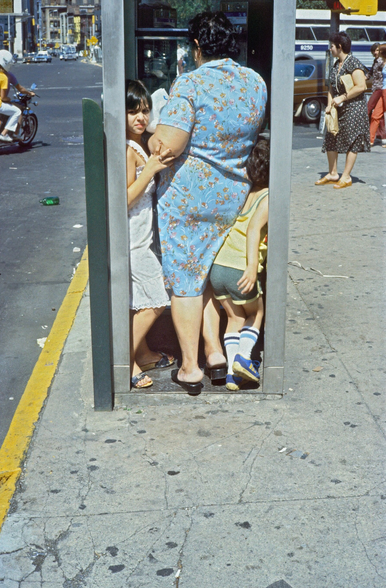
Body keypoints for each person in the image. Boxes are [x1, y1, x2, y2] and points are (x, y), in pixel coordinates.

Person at [149, 11, 267, 394]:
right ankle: (215, 352)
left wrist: (154, 132)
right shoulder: (254, 82)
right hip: (233, 195)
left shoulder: (191, 84)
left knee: (186, 282)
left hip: (188, 200)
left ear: (197, 46)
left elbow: (168, 145)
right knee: (209, 277)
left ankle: (190, 368)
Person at [125, 79, 175, 389]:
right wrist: (149, 170)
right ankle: (126, 358)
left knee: (145, 299)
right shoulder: (128, 150)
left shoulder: (139, 145)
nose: (140, 118)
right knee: (156, 299)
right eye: (133, 112)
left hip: (142, 239)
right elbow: (125, 198)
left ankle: (142, 354)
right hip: (131, 242)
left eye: (144, 111)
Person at [210, 138, 269, 391]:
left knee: (234, 318)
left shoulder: (245, 193)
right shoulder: (268, 197)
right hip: (238, 268)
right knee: (256, 313)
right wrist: (252, 268)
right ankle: (245, 358)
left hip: (219, 267)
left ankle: (234, 376)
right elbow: (254, 230)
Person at [316, 31, 370, 189]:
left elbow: (361, 86)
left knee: (352, 140)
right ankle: (333, 173)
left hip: (354, 108)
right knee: (331, 137)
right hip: (338, 108)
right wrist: (329, 104)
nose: (330, 49)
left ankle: (346, 177)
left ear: (339, 47)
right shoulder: (335, 65)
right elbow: (331, 88)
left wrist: (343, 97)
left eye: (332, 46)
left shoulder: (353, 63)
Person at [0, 50, 20, 143]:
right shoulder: (4, 77)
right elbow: (3, 97)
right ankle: (4, 134)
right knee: (17, 112)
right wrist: (9, 100)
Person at [366, 43, 386, 146]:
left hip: (380, 89)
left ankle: (369, 136)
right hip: (378, 88)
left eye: (377, 50)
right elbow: (371, 72)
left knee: (368, 109)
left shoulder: (381, 61)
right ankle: (381, 137)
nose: (375, 52)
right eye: (374, 51)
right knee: (378, 115)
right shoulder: (376, 61)